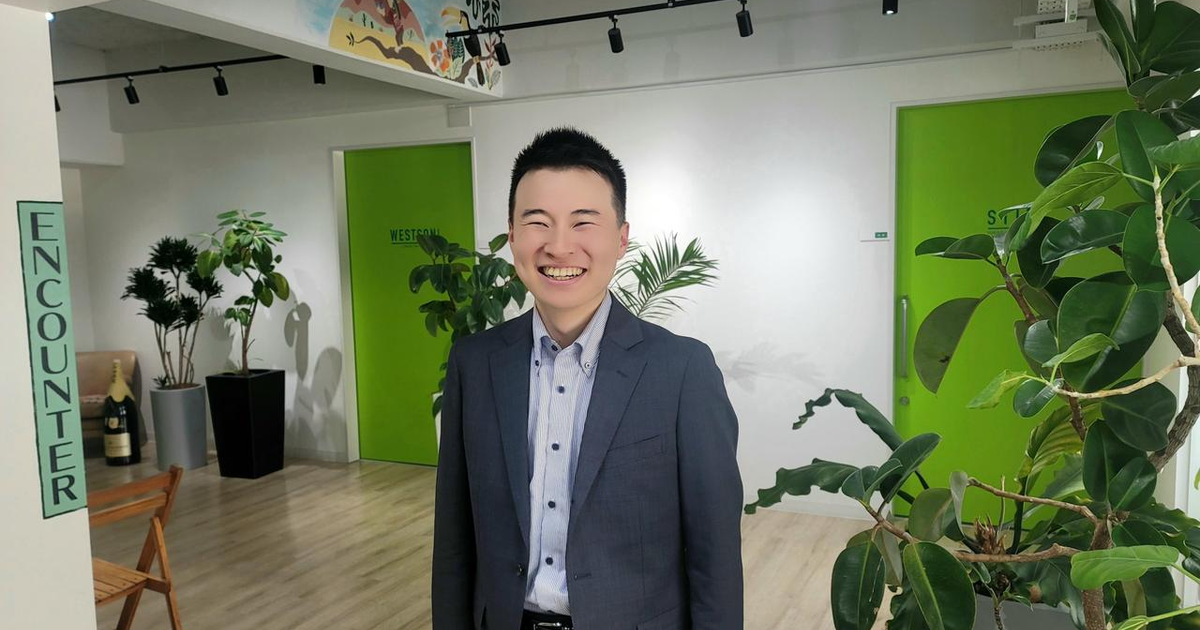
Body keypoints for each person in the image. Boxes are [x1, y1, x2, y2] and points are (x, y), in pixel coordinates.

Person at [431, 127, 743, 630]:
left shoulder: (682, 370)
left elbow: (716, 558)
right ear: (512, 235)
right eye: (537, 222)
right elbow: (454, 537)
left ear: (621, 238)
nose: (559, 247)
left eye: (583, 223)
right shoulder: (475, 362)